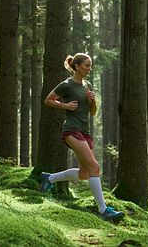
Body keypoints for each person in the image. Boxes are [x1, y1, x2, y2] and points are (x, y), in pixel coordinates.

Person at [39, 53, 124, 222]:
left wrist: (92, 101)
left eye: (90, 66)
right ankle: (103, 210)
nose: (89, 69)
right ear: (77, 66)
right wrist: (65, 105)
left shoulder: (88, 85)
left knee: (85, 173)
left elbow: (92, 112)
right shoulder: (66, 85)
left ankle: (49, 178)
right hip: (71, 130)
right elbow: (48, 100)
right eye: (86, 65)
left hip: (85, 131)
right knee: (95, 167)